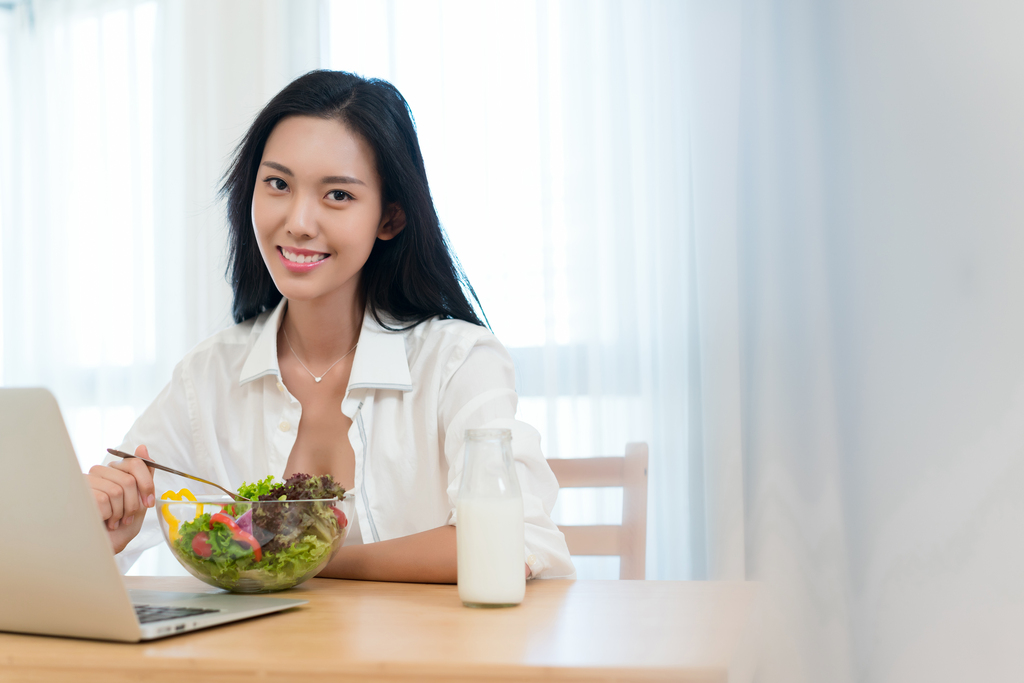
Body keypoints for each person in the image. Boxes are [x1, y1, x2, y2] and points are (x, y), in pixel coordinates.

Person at [85, 70, 575, 583]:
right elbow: (92, 547)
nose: (298, 221)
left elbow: (515, 542)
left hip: (425, 661)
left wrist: (304, 559)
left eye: (337, 195)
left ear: (390, 218)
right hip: (254, 664)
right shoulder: (208, 375)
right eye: (277, 184)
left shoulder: (457, 361)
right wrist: (100, 531)